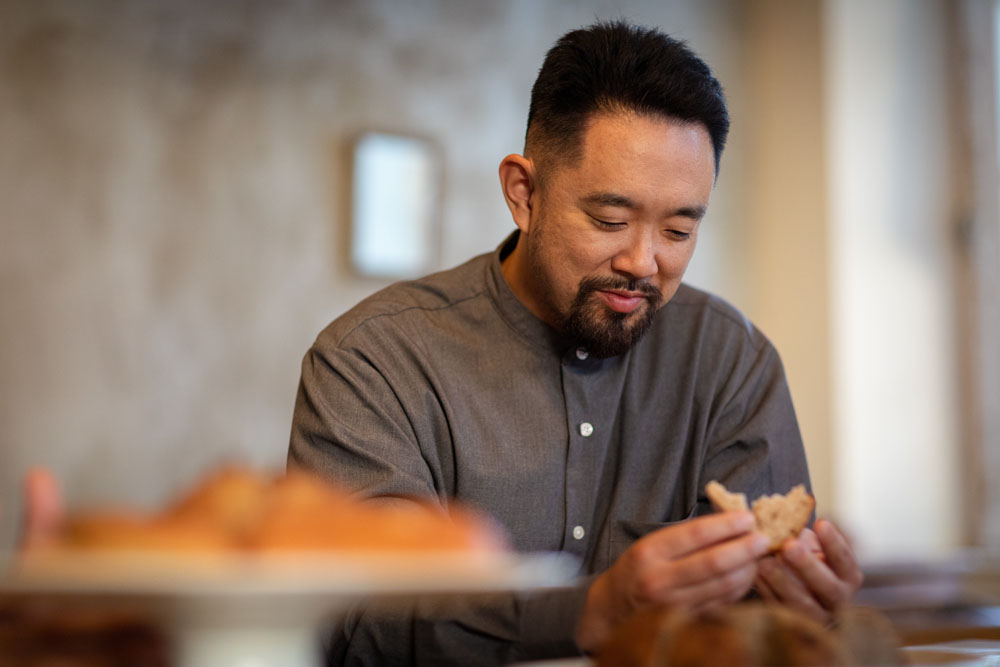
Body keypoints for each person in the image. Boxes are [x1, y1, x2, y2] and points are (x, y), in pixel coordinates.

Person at [21, 20, 861, 667]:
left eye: (680, 228)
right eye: (609, 219)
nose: (644, 261)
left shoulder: (731, 362)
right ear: (522, 193)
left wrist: (797, 609)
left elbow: (756, 627)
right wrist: (594, 611)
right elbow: (356, 624)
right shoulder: (374, 360)